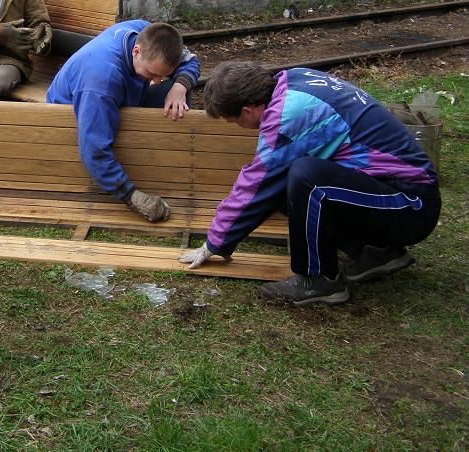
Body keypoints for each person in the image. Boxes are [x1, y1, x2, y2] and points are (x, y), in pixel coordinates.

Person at [179, 62, 440, 307]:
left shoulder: (289, 115)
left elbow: (256, 184)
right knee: (288, 182)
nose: (240, 127)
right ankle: (376, 251)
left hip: (411, 204)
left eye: (234, 121)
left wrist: (214, 243)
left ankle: (318, 279)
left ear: (248, 110)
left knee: (305, 176)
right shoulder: (292, 79)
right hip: (389, 192)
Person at [46, 20, 200, 222]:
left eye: (162, 75)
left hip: (117, 96)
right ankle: (140, 174)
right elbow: (95, 151)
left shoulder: (146, 32)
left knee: (178, 98)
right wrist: (132, 196)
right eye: (152, 74)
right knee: (102, 140)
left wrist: (180, 86)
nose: (156, 81)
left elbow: (191, 60)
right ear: (136, 51)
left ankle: (164, 168)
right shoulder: (101, 81)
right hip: (74, 114)